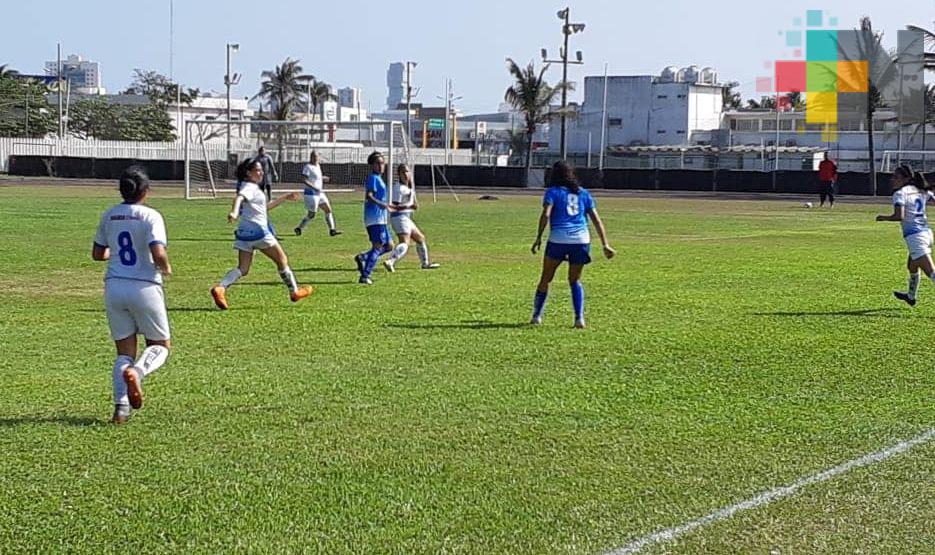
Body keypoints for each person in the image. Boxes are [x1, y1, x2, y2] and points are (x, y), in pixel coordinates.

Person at [92, 168, 172, 424]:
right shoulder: (151, 216)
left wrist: (113, 254)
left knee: (123, 352)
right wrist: (166, 267)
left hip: (114, 286)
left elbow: (97, 253)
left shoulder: (109, 215)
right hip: (144, 286)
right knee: (159, 346)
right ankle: (137, 373)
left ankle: (121, 409)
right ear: (146, 191)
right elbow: (157, 251)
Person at [211, 158, 312, 309]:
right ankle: (294, 292)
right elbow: (239, 197)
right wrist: (233, 212)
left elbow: (263, 208)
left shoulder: (252, 188)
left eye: (261, 170)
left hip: (244, 233)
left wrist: (285, 197)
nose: (261, 173)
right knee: (282, 260)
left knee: (243, 269)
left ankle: (221, 288)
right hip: (259, 232)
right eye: (257, 170)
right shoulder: (249, 187)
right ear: (248, 173)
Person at [530, 160, 615, 328]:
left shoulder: (552, 192)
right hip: (581, 240)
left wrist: (539, 237)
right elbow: (597, 220)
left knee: (546, 278)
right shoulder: (583, 193)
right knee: (575, 280)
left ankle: (537, 316)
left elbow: (546, 214)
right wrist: (605, 244)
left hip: (558, 239)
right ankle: (579, 318)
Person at [876, 164, 935, 307]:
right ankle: (911, 296)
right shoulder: (921, 190)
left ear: (906, 179)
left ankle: (911, 296)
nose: (892, 179)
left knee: (932, 274)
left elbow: (899, 216)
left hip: (916, 238)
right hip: (926, 234)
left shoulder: (900, 194)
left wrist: (883, 218)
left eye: (896, 177)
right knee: (912, 266)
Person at [383, 163, 441, 272]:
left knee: (420, 238)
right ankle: (390, 261)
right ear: (398, 174)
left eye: (407, 171)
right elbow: (393, 207)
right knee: (405, 242)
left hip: (406, 218)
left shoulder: (407, 187)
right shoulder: (398, 189)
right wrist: (410, 206)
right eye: (403, 172)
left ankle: (425, 263)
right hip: (399, 217)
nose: (405, 174)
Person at [353, 151, 396, 284]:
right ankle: (365, 275)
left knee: (389, 246)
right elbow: (369, 196)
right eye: (378, 163)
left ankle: (363, 257)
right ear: (372, 165)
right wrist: (382, 204)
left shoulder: (379, 178)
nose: (381, 166)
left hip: (381, 219)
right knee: (377, 246)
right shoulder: (373, 178)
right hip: (375, 219)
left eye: (382, 163)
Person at [294, 150, 341, 237]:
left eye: (316, 156)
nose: (315, 158)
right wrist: (314, 187)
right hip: (311, 194)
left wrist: (323, 178)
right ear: (310, 157)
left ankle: (332, 230)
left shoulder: (318, 166)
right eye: (313, 156)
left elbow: (316, 178)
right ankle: (299, 228)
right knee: (311, 215)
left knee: (328, 210)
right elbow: (304, 179)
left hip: (320, 193)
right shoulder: (308, 167)